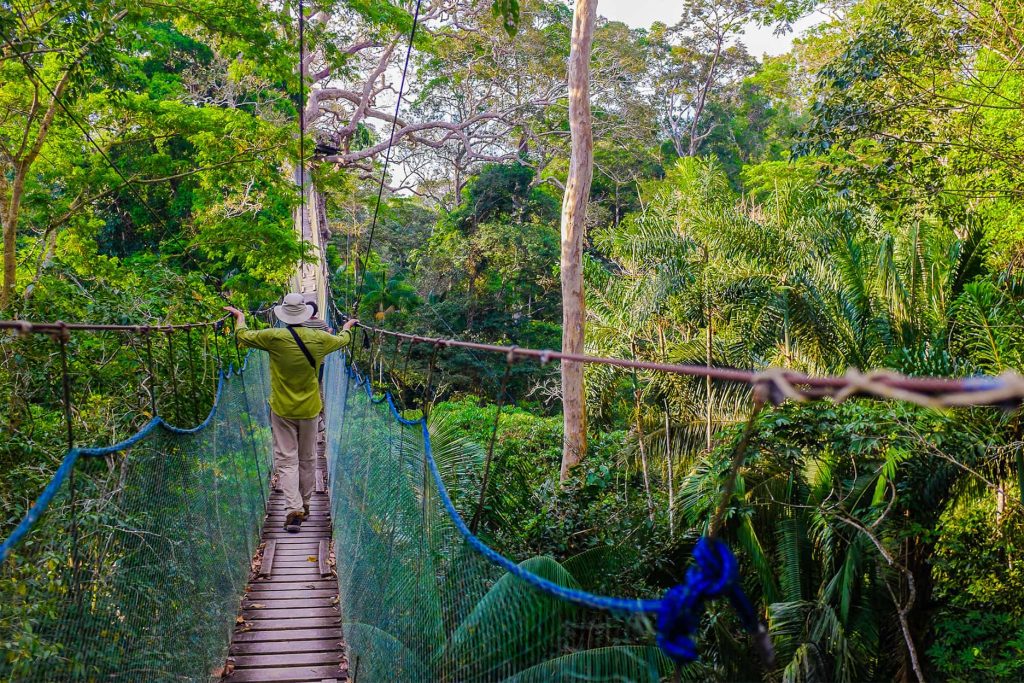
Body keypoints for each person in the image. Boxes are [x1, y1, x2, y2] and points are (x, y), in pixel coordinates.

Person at [224, 294, 358, 533]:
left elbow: (242, 336)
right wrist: (347, 328)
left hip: (282, 409)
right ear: (306, 314)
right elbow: (342, 341)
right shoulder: (319, 338)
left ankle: (293, 508)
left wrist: (241, 318)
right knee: (308, 459)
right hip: (309, 409)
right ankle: (304, 505)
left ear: (283, 315)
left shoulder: (273, 337)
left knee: (287, 461)